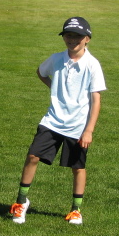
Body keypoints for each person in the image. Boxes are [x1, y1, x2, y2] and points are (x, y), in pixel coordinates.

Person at [9, 16, 105, 225]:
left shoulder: (92, 65)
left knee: (77, 167)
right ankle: (21, 202)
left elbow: (96, 100)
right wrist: (54, 88)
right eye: (68, 35)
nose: (72, 40)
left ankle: (76, 210)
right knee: (32, 156)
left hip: (78, 125)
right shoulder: (56, 59)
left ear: (87, 39)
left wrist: (89, 130)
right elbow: (41, 72)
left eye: (78, 36)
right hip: (52, 120)